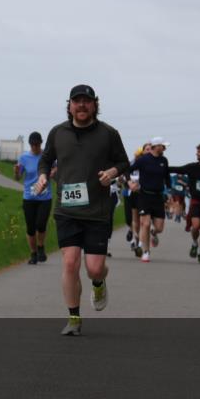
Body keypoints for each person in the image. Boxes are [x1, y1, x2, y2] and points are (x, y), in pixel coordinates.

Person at [32, 84, 130, 336]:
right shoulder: (57, 132)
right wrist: (43, 177)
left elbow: (123, 162)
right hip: (66, 209)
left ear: (95, 104)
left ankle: (99, 283)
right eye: (77, 101)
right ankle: (73, 317)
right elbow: (45, 160)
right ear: (70, 105)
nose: (82, 105)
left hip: (97, 211)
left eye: (87, 101)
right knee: (70, 263)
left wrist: (112, 172)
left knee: (95, 267)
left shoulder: (108, 133)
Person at [128, 137, 172, 263]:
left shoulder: (164, 160)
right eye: (162, 146)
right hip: (144, 195)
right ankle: (146, 252)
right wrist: (130, 182)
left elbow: (167, 177)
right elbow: (128, 170)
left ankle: (154, 232)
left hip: (158, 197)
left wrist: (169, 191)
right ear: (156, 146)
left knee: (159, 228)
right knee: (145, 224)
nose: (164, 148)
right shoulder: (143, 160)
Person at [15, 131, 53, 264]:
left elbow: (56, 168)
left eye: (37, 144)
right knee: (30, 227)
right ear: (30, 144)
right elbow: (18, 177)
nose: (35, 147)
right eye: (32, 145)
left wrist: (52, 173)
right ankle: (33, 253)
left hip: (45, 196)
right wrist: (16, 172)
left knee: (41, 224)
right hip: (29, 197)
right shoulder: (24, 157)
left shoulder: (46, 156)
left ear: (41, 143)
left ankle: (41, 247)